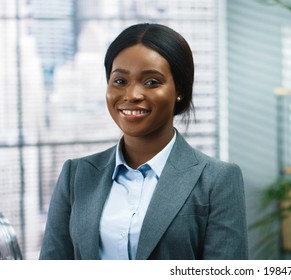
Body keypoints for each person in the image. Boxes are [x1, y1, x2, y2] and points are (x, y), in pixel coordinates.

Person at [39, 23, 248, 260]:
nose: (132, 95)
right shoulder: (76, 175)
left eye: (151, 82)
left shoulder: (217, 180)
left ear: (179, 89)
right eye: (120, 81)